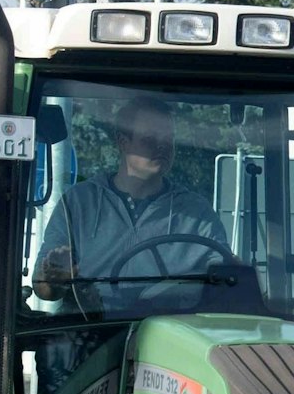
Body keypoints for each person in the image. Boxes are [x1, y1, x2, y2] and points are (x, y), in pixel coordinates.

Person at [32, 97, 230, 315]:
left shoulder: (196, 212)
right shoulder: (79, 203)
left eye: (168, 139)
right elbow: (43, 289)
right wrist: (55, 277)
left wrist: (234, 274)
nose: (162, 146)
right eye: (150, 139)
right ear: (122, 142)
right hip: (89, 332)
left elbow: (226, 282)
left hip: (169, 335)